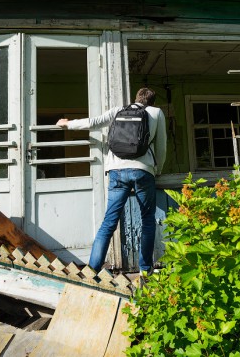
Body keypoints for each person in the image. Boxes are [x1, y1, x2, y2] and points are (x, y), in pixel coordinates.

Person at [56, 87, 167, 274]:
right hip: (143, 171)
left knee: (109, 222)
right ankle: (145, 269)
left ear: (136, 99)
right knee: (148, 220)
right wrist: (157, 170)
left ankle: (93, 270)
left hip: (116, 171)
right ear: (152, 101)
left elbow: (94, 122)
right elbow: (161, 146)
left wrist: (68, 124)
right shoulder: (156, 113)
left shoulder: (118, 110)